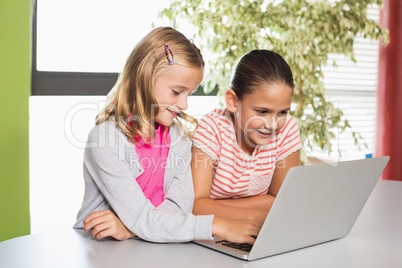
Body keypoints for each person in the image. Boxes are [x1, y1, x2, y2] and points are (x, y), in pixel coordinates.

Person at [73, 27, 261, 244]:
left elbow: (178, 207)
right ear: (145, 78)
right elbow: (141, 217)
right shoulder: (105, 140)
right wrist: (215, 225)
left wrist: (132, 227)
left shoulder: (180, 139)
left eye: (189, 94)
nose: (184, 104)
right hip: (100, 247)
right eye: (176, 92)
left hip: (148, 245)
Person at [191, 49, 302, 227]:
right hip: (215, 230)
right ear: (233, 102)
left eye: (282, 112)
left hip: (256, 228)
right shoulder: (212, 129)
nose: (273, 125)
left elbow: (282, 201)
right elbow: (195, 206)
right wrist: (254, 216)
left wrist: (214, 206)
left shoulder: (287, 129)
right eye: (262, 112)